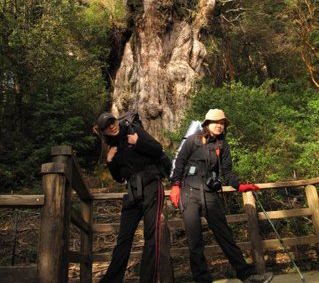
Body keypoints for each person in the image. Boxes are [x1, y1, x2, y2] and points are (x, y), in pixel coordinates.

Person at [169, 109, 273, 283]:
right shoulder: (193, 141)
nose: (219, 125)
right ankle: (202, 279)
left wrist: (239, 185)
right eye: (216, 122)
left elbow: (227, 172)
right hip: (189, 193)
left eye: (222, 123)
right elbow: (179, 162)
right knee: (195, 241)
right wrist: (175, 186)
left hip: (210, 194)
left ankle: (247, 275)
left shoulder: (222, 145)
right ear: (207, 124)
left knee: (225, 235)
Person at [95, 111, 165, 283]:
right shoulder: (113, 147)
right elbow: (119, 178)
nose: (111, 127)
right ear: (103, 132)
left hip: (151, 186)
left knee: (152, 236)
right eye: (106, 127)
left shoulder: (134, 131)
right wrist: (110, 162)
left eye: (112, 122)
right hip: (132, 192)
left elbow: (158, 149)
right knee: (123, 239)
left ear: (116, 121)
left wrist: (138, 142)